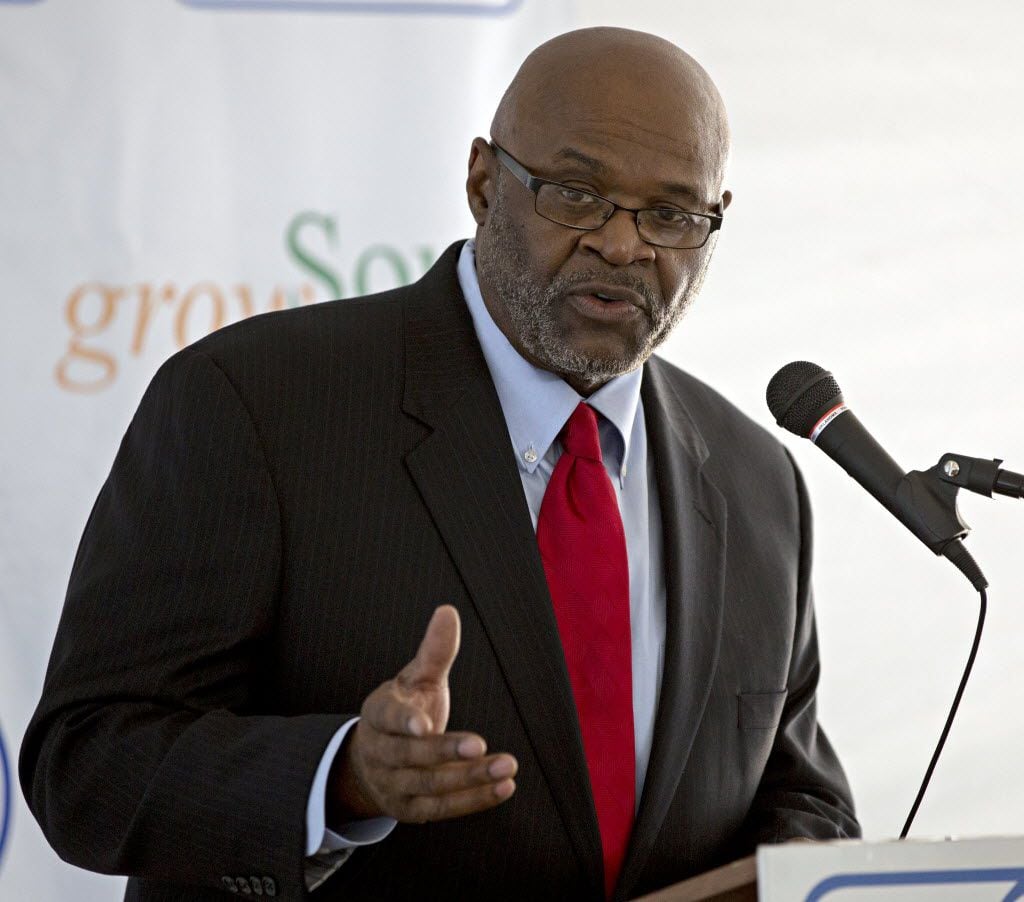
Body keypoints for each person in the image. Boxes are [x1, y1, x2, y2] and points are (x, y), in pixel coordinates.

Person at [20, 26, 859, 902]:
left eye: (673, 214)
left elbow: (801, 797)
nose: (624, 245)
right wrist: (341, 777)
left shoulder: (758, 482)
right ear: (484, 184)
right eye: (578, 194)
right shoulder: (255, 403)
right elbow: (90, 762)